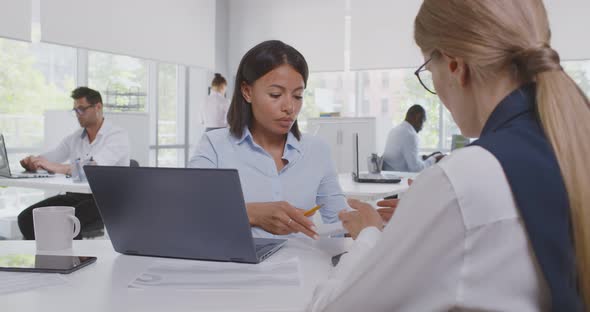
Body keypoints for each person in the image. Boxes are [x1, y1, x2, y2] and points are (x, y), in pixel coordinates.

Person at [309, 0, 589, 311]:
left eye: (429, 71)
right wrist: (426, 211)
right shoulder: (568, 143)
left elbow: (330, 308)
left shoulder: (465, 178)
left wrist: (369, 234)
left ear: (455, 66)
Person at [189, 40, 347, 240]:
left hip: (304, 266)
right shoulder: (214, 145)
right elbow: (191, 212)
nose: (289, 107)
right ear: (247, 92)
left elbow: (340, 222)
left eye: (298, 96)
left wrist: (365, 224)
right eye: (276, 94)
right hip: (238, 268)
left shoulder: (317, 150)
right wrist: (252, 214)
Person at [18, 87, 130, 240]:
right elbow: (51, 157)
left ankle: (71, 261)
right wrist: (34, 161)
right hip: (76, 195)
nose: (78, 115)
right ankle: (47, 258)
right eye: (75, 110)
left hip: (105, 199)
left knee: (67, 223)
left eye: (81, 109)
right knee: (26, 219)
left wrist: (52, 166)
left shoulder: (117, 136)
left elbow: (91, 169)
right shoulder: (76, 137)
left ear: (98, 107)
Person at [381, 104, 443, 172]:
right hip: (402, 178)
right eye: (422, 121)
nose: (421, 128)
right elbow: (416, 169)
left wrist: (424, 158)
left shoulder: (394, 130)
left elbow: (403, 159)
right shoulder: (410, 135)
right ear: (417, 117)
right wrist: (434, 159)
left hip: (390, 175)